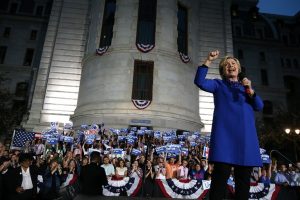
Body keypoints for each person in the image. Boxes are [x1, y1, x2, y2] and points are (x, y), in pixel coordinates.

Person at [194, 50, 264, 200]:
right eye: (226, 65)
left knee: (243, 183)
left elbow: (259, 106)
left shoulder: (246, 88)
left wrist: (250, 91)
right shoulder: (218, 85)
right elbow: (199, 81)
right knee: (219, 180)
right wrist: (208, 60)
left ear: (238, 69)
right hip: (224, 138)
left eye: (233, 64)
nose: (230, 66)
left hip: (245, 139)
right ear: (223, 71)